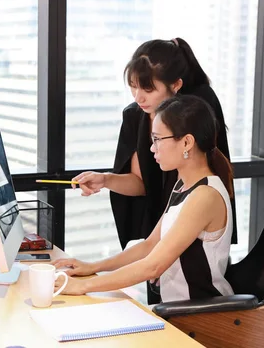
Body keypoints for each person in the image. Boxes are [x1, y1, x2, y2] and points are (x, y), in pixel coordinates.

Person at [54, 95, 234, 302]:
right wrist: (93, 267)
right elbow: (150, 246)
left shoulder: (205, 195)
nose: (151, 148)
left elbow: (153, 266)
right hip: (176, 310)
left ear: (186, 142)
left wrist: (82, 286)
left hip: (199, 318)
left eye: (157, 139)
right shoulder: (183, 185)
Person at [72, 37, 237, 249]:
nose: (138, 98)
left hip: (193, 229)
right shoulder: (135, 116)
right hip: (158, 231)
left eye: (148, 90)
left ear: (176, 85)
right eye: (133, 87)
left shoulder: (195, 114)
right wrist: (105, 180)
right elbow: (141, 183)